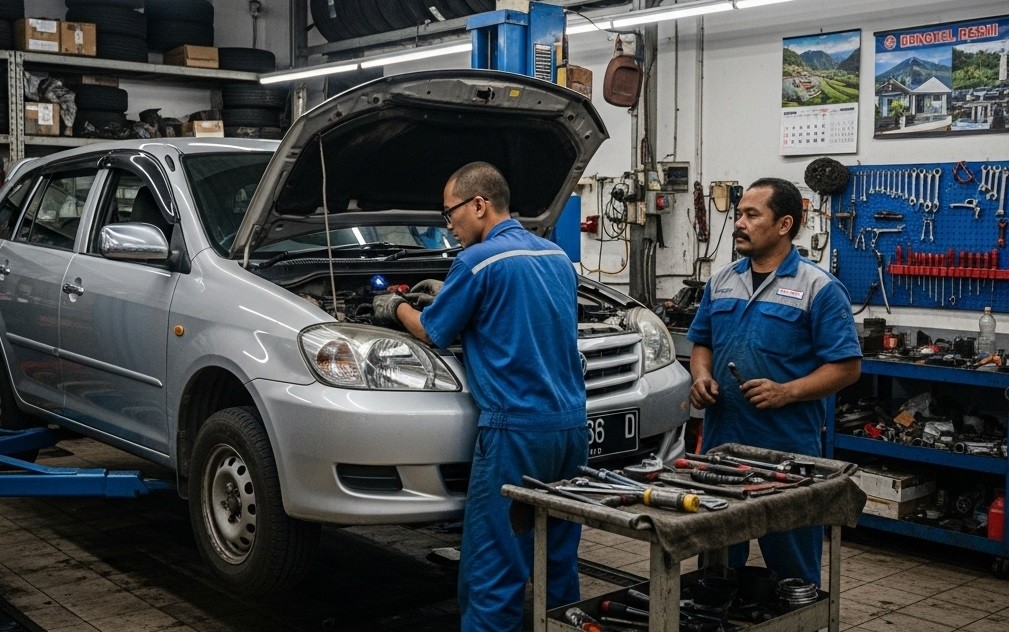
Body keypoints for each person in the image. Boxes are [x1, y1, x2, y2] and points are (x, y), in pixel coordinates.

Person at [372, 161, 588, 631]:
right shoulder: (556, 257)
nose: (449, 227)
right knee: (558, 551)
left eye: (450, 214)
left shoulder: (475, 261)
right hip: (571, 427)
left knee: (494, 564)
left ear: (479, 204)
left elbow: (432, 331)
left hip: (516, 433)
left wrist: (396, 306)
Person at [686, 177, 861, 586]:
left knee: (793, 570)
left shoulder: (819, 288)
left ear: (784, 225)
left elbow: (847, 368)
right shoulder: (722, 280)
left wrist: (788, 391)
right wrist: (701, 377)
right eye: (738, 214)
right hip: (721, 449)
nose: (739, 224)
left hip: (784, 453)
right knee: (716, 568)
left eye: (751, 214)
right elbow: (701, 344)